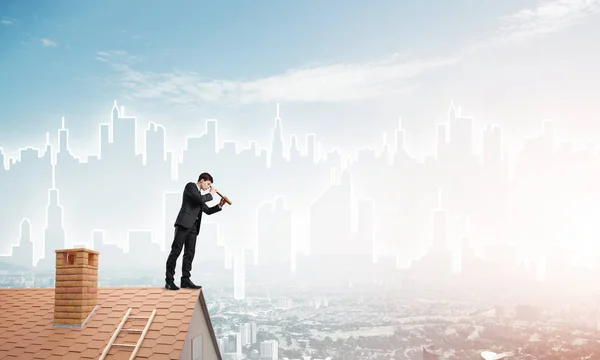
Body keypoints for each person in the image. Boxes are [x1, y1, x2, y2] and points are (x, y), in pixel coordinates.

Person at [165, 172, 227, 290]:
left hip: (194, 228)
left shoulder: (199, 195)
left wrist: (220, 205)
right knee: (176, 252)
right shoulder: (190, 187)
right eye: (208, 184)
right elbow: (199, 199)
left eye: (210, 186)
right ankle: (169, 281)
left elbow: (207, 210)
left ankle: (185, 280)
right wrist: (211, 194)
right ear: (202, 180)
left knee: (190, 253)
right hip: (183, 224)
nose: (208, 187)